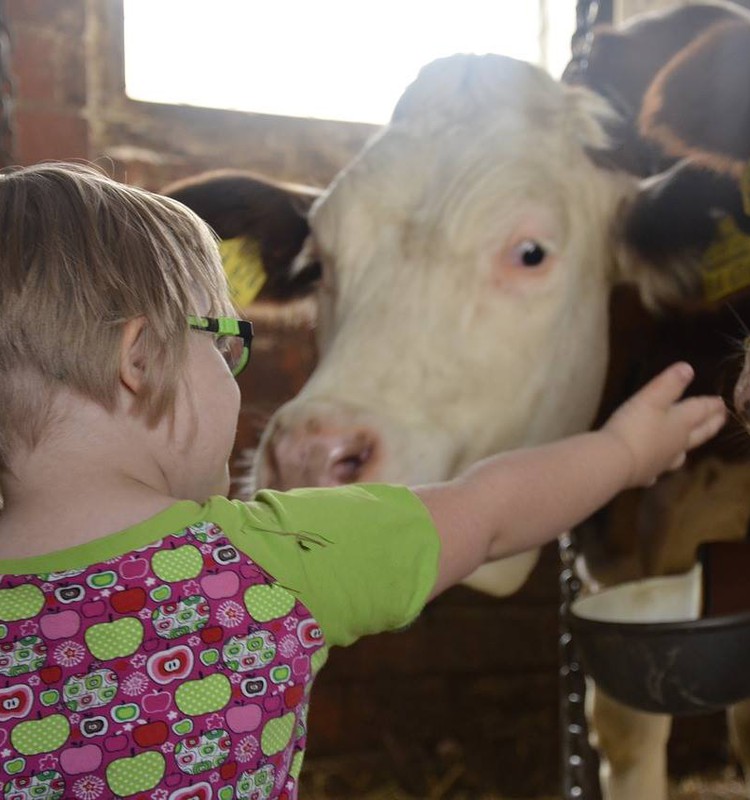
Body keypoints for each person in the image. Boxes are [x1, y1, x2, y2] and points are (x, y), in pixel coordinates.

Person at [0, 162, 725, 800]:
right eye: (224, 343)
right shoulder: (272, 559)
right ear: (143, 357)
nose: (232, 370)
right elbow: (493, 510)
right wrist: (626, 451)